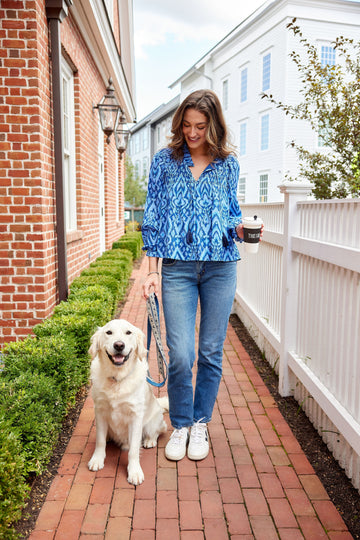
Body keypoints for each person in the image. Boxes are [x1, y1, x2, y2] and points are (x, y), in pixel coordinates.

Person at [141, 89, 260, 462]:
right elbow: (154, 217)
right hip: (176, 268)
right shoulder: (165, 161)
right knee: (180, 354)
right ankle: (179, 424)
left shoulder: (228, 165)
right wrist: (151, 271)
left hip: (220, 266)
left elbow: (230, 213)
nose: (193, 133)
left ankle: (200, 423)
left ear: (214, 126)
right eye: (187, 125)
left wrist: (240, 229)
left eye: (200, 126)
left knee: (210, 352)